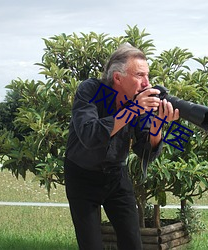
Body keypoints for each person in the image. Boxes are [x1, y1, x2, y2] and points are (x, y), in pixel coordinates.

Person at [64, 44, 179, 250]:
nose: (147, 83)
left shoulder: (139, 102)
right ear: (118, 78)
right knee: (90, 245)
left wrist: (158, 122)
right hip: (82, 177)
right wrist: (133, 109)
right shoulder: (92, 90)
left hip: (116, 176)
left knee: (133, 243)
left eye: (148, 75)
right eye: (140, 75)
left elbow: (145, 151)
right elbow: (90, 135)